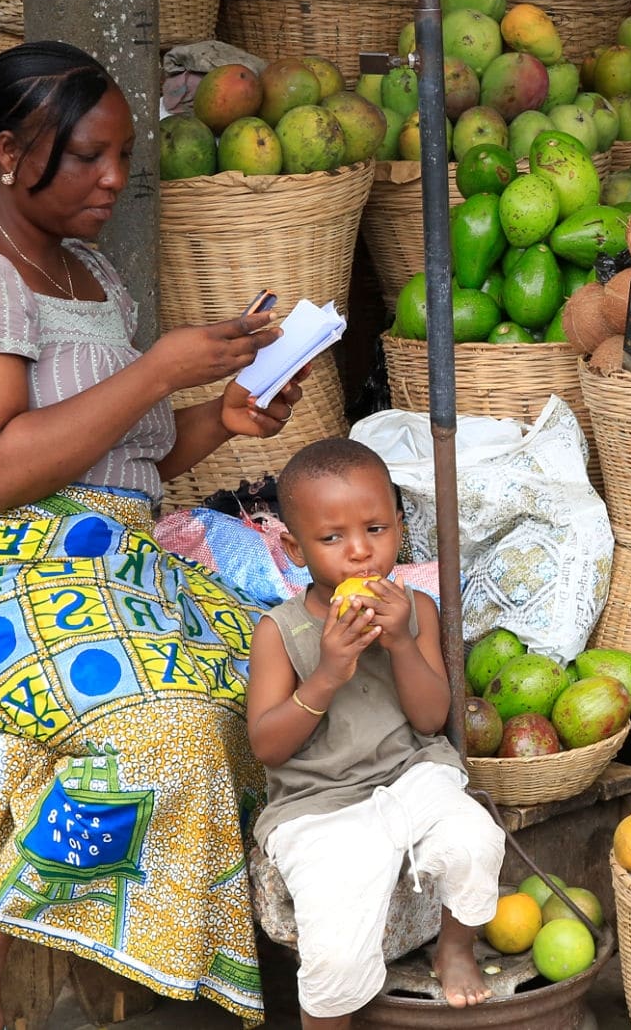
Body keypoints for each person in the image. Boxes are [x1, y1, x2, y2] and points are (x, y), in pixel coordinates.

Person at [0, 41, 305, 1028]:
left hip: (108, 565)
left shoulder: (92, 274)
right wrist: (157, 371)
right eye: (89, 157)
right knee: (161, 731)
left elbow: (111, 460)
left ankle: (146, 967)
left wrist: (219, 418)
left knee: (273, 688)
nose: (113, 180)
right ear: (12, 152)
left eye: (121, 159)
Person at [247, 438, 506, 1026]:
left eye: (376, 528)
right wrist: (327, 675)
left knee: (476, 841)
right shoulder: (280, 632)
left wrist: (400, 644)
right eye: (332, 538)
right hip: (319, 804)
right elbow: (267, 744)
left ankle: (455, 949)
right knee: (334, 946)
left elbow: (429, 718)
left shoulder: (415, 608)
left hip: (411, 775)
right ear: (293, 547)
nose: (361, 553)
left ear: (398, 526)